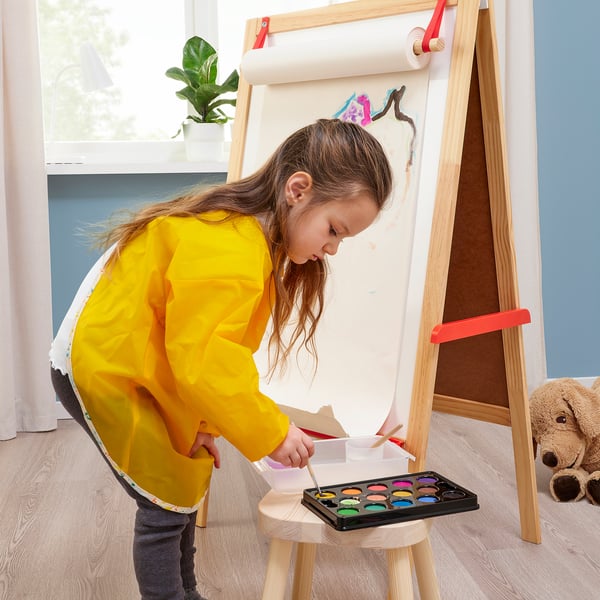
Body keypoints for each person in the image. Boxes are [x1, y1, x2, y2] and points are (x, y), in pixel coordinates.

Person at [49, 118, 393, 600]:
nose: (331, 249)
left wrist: (204, 423)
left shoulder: (244, 239)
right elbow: (207, 358)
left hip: (137, 361)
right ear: (298, 190)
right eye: (333, 230)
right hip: (103, 368)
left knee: (183, 481)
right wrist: (270, 430)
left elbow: (203, 345)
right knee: (163, 502)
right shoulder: (231, 249)